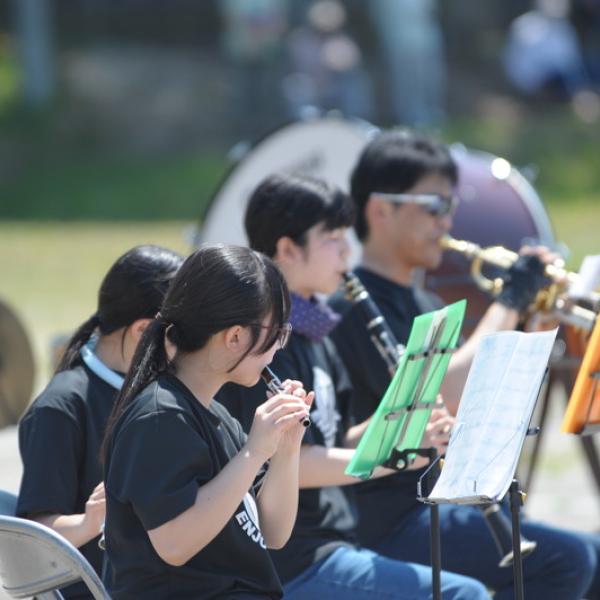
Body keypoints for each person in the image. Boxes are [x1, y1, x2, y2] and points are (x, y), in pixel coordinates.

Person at [328, 128, 600, 599]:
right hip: (386, 518)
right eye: (433, 206)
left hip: (435, 500)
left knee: (590, 556)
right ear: (380, 209)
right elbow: (444, 392)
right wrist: (511, 300)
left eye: (450, 207)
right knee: (568, 561)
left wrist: (533, 321)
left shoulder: (424, 298)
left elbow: (481, 405)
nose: (447, 221)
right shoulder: (354, 307)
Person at [217, 173, 490, 599]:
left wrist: (404, 425)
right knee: (463, 595)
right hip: (292, 559)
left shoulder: (314, 329)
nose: (348, 250)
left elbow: (337, 437)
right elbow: (289, 460)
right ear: (288, 249)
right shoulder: (265, 343)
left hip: (334, 541)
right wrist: (396, 459)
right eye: (333, 237)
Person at [101, 244, 312, 599]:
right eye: (277, 334)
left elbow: (273, 533)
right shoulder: (160, 416)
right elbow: (174, 544)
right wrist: (254, 451)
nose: (279, 349)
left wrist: (286, 448)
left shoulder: (214, 413)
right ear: (234, 337)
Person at [16, 244, 183, 599]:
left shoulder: (163, 390)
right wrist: (90, 521)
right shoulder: (61, 407)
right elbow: (35, 536)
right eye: (183, 335)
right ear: (144, 331)